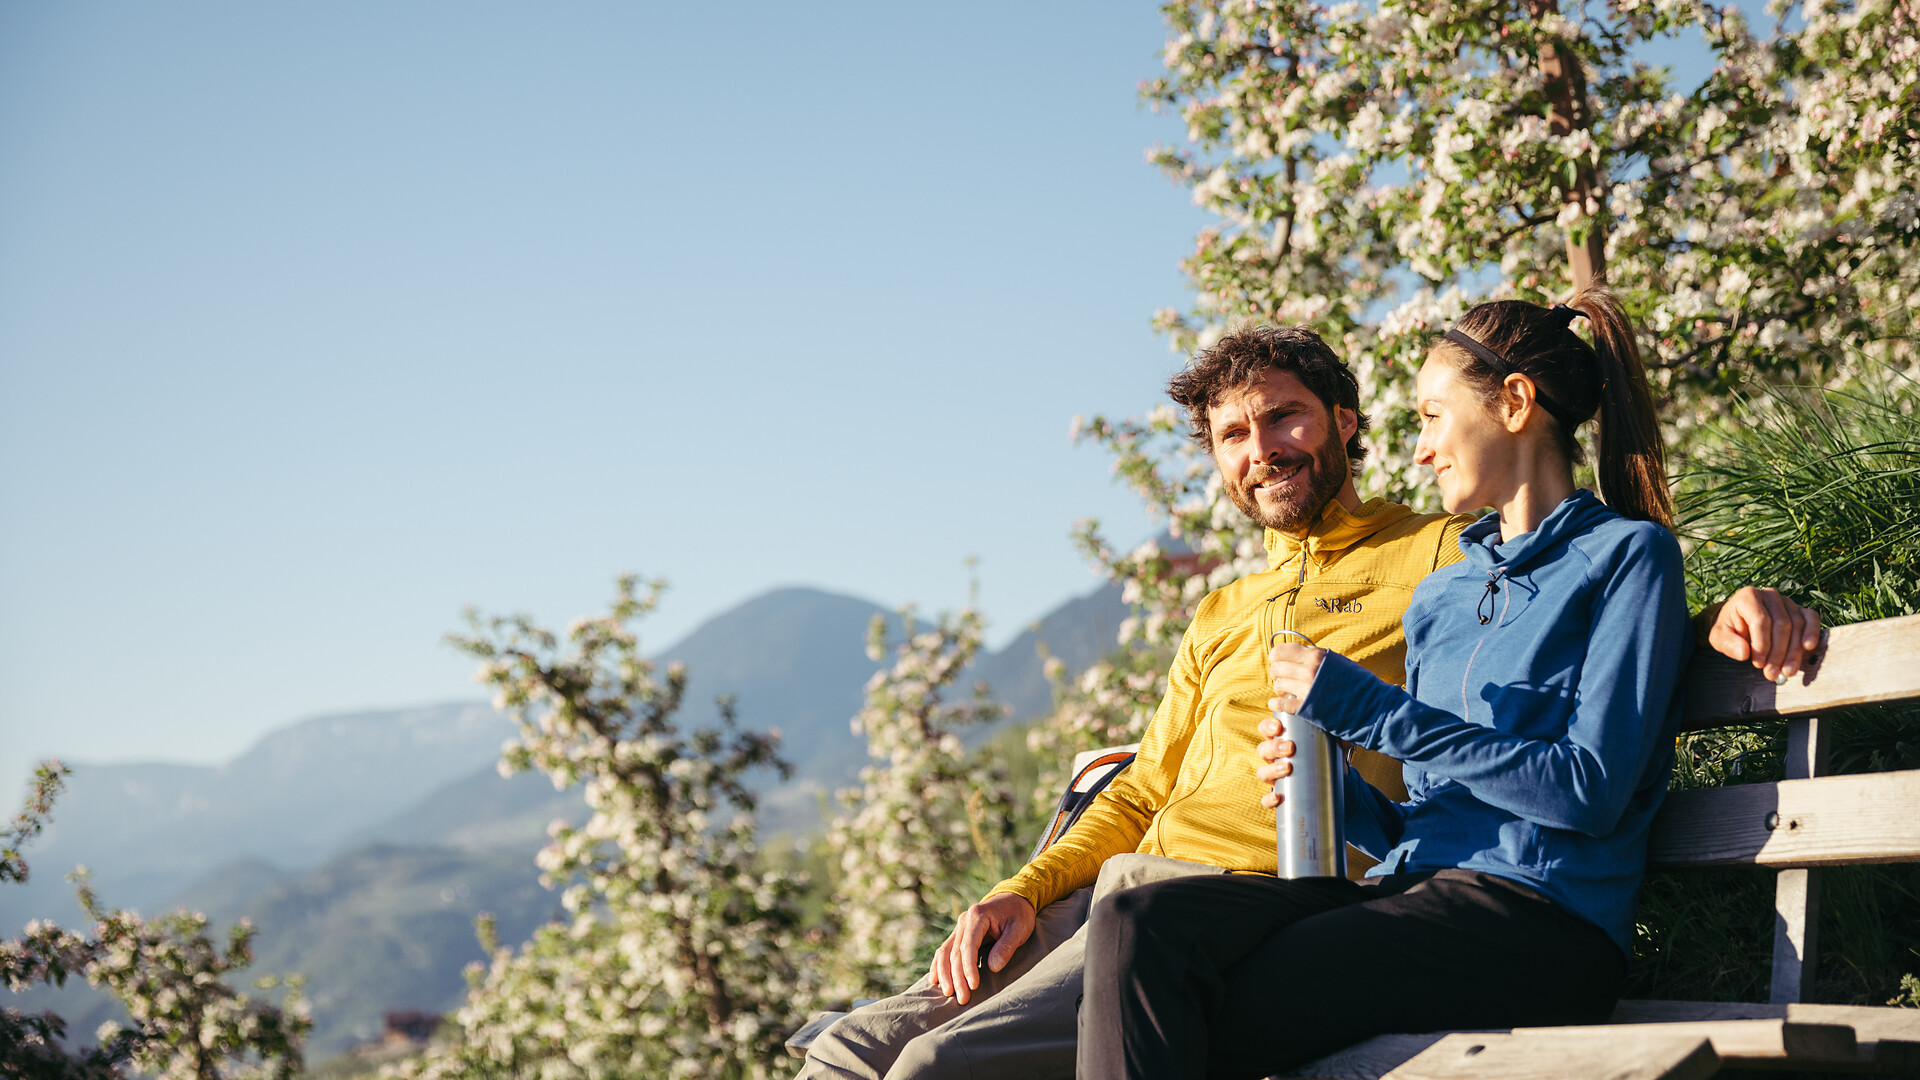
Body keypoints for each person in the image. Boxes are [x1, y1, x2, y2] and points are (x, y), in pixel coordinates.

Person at [797, 317, 1821, 1080]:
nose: (1261, 450)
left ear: (1343, 422)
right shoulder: (1264, 607)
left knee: (958, 1063)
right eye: (1232, 436)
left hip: (1377, 899)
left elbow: (1587, 643)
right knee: (847, 1051)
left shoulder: (1439, 552)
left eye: (1282, 416)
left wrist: (1723, 611)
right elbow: (1154, 785)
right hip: (1194, 890)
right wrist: (1028, 886)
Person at [1076, 284, 1716, 1079]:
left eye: (1432, 417)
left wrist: (1374, 713)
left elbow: (1587, 792)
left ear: (1515, 403)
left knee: (1191, 1008)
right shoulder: (1444, 595)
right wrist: (1343, 794)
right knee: (1139, 920)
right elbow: (1424, 815)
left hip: (1538, 918)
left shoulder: (1626, 557)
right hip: (1409, 890)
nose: (1420, 450)